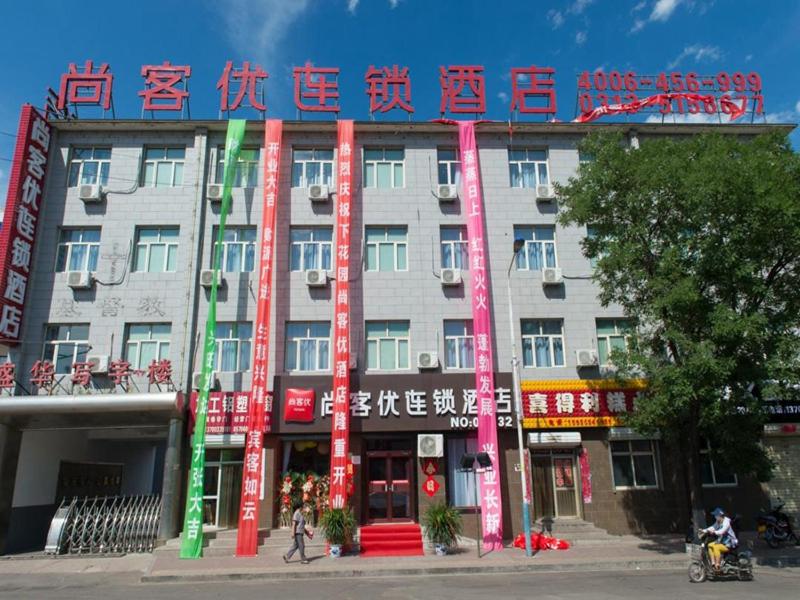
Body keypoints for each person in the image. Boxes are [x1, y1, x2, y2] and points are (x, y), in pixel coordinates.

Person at [702, 507, 738, 572]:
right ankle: (713, 563)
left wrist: (714, 532)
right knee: (709, 545)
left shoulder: (726, 523)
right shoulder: (718, 521)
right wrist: (704, 531)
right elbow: (713, 527)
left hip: (730, 543)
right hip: (723, 542)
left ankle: (717, 565)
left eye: (716, 515)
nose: (715, 517)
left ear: (720, 516)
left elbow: (722, 531)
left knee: (716, 547)